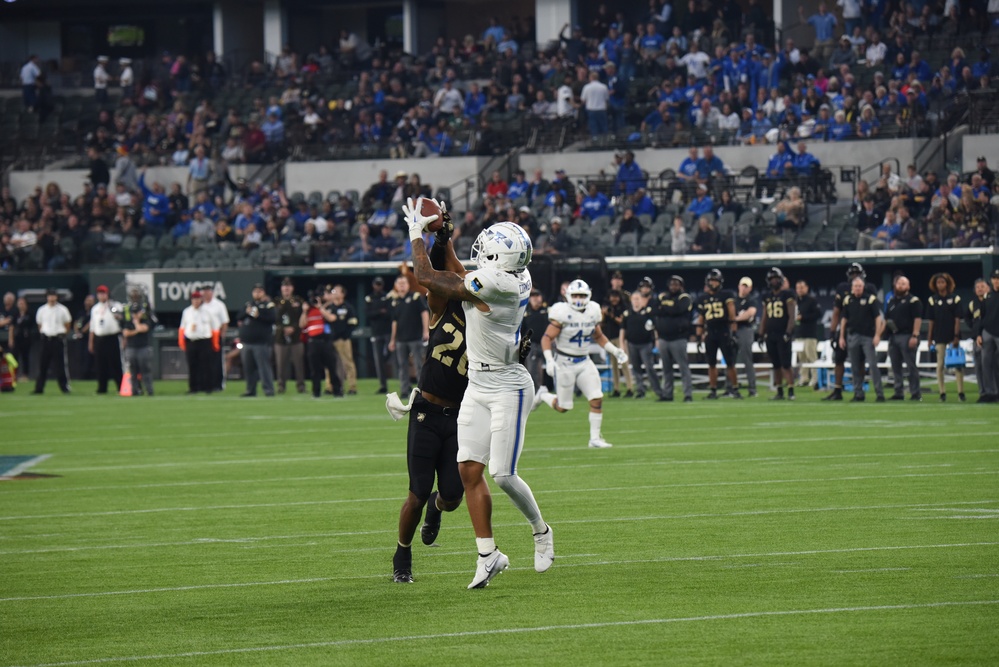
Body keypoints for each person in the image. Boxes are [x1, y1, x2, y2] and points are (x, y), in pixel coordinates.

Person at [402, 198, 553, 589]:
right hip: (478, 384)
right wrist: (447, 238)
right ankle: (488, 555)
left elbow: (429, 277)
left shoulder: (498, 283)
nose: (481, 251)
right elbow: (459, 273)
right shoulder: (513, 274)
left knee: (502, 474)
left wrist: (417, 233)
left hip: (507, 385)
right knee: (469, 469)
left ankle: (541, 530)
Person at [389, 214, 468, 584]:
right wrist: (437, 239)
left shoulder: (493, 319)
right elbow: (432, 274)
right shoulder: (443, 304)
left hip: (460, 416)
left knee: (451, 497)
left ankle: (439, 509)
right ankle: (401, 554)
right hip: (426, 411)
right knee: (417, 493)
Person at [534, 279, 629, 447]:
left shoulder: (593, 311)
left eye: (582, 295)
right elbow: (547, 338)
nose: (579, 298)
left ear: (589, 296)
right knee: (563, 407)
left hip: (584, 361)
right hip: (564, 362)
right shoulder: (561, 312)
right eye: (576, 295)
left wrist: (615, 351)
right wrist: (549, 360)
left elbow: (598, 336)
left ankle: (594, 439)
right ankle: (543, 395)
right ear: (568, 296)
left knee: (596, 397)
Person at [825, 262, 878, 400]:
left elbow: (876, 314)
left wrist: (876, 333)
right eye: (852, 274)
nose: (855, 277)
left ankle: (859, 390)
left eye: (857, 274)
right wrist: (833, 332)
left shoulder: (869, 289)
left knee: (860, 361)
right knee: (839, 359)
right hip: (846, 330)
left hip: (863, 330)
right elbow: (837, 312)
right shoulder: (842, 289)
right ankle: (837, 389)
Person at [839, 277, 886, 402]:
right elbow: (844, 319)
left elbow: (878, 318)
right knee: (855, 366)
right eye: (855, 286)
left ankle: (879, 393)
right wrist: (841, 336)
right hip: (853, 336)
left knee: (872, 365)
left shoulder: (870, 299)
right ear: (852, 288)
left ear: (863, 287)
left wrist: (877, 335)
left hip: (867, 337)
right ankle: (858, 393)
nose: (857, 288)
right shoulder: (848, 300)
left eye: (860, 286)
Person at [696, 269, 741, 399]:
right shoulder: (703, 298)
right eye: (711, 281)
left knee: (730, 362)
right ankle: (713, 390)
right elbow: (701, 318)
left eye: (715, 281)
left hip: (724, 331)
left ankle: (735, 388)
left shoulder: (726, 295)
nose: (713, 283)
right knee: (711, 363)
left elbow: (732, 314)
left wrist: (733, 332)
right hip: (710, 332)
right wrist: (699, 336)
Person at [758, 268, 798, 400]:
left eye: (776, 278)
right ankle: (779, 391)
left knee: (786, 364)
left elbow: (792, 315)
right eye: (772, 279)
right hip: (771, 334)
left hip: (782, 333)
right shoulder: (767, 296)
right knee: (775, 364)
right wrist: (761, 333)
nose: (774, 281)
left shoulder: (788, 294)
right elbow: (764, 316)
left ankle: (791, 390)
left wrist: (788, 331)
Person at [925, 273, 964, 402]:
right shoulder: (932, 300)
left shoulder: (955, 298)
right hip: (939, 335)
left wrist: (956, 336)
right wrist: (929, 338)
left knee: (957, 364)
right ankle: (942, 392)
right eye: (938, 283)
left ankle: (961, 392)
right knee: (940, 364)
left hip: (952, 335)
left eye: (942, 282)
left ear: (947, 283)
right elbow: (931, 320)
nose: (940, 284)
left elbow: (957, 318)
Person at [299, 286, 343, 399]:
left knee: (332, 367)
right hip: (313, 342)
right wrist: (304, 311)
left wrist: (320, 308)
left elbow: (332, 318)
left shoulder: (326, 308)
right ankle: (316, 392)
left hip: (325, 341)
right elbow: (302, 325)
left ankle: (337, 391)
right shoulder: (308, 311)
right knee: (315, 370)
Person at [389, 274, 429, 397]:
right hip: (401, 339)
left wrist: (426, 331)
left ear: (408, 285)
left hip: (415, 337)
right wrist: (393, 339)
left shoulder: (415, 297)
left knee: (418, 365)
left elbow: (424, 313)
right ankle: (404, 390)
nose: (401, 285)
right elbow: (394, 322)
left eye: (404, 283)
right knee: (402, 366)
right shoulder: (395, 301)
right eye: (399, 283)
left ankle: (422, 390)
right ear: (396, 286)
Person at [655, 275, 694, 402]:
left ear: (681, 286)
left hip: (679, 338)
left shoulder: (685, 297)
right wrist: (669, 308)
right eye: (671, 284)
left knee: (683, 367)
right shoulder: (663, 296)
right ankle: (667, 394)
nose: (673, 286)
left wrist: (666, 307)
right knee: (666, 369)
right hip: (664, 338)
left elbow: (678, 309)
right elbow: (656, 310)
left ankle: (687, 394)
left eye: (676, 284)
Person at [885, 275, 923, 401]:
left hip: (907, 335)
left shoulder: (913, 301)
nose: (900, 285)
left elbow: (917, 319)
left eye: (903, 283)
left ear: (908, 286)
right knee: (895, 366)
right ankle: (898, 392)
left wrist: (915, 335)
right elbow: (887, 318)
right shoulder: (891, 301)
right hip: (894, 336)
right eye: (899, 283)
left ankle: (915, 393)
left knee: (910, 366)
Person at [239, 283, 276, 397]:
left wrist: (258, 316)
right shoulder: (248, 304)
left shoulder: (268, 305)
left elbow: (273, 318)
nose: (257, 293)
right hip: (247, 342)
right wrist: (246, 312)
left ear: (264, 293)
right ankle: (250, 390)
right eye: (255, 291)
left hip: (261, 343)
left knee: (263, 367)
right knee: (249, 368)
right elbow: (238, 316)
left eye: (260, 291)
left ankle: (268, 390)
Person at [33, 289, 72, 395]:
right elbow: (40, 324)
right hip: (46, 339)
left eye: (53, 295)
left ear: (57, 297)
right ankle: (39, 388)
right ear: (47, 297)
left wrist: (63, 335)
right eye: (50, 296)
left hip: (57, 339)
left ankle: (64, 387)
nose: (51, 298)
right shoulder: (42, 310)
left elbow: (68, 324)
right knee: (43, 365)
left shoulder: (63, 309)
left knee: (60, 365)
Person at [88, 285, 123, 395]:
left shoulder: (115, 305)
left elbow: (122, 319)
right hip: (99, 338)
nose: (101, 295)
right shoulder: (95, 309)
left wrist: (114, 311)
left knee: (115, 364)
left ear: (107, 294)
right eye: (99, 293)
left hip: (112, 337)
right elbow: (92, 327)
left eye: (103, 293)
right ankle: (102, 387)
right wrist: (91, 342)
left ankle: (120, 386)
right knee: (100, 364)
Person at [178, 291, 215, 394]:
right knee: (192, 365)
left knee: (205, 365)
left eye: (198, 299)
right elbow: (182, 327)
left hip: (204, 340)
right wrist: (182, 341)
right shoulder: (187, 311)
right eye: (194, 299)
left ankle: (207, 387)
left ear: (201, 300)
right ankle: (193, 387)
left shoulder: (207, 312)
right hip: (191, 340)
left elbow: (213, 326)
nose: (196, 301)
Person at [274, 277, 306, 394]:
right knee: (281, 365)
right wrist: (283, 328)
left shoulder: (298, 301)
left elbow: (302, 318)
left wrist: (293, 327)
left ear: (292, 288)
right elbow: (274, 319)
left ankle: (301, 386)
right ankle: (281, 386)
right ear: (281, 288)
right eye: (284, 286)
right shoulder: (276, 302)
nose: (286, 288)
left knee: (299, 364)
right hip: (280, 338)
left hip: (296, 337)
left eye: (288, 286)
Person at [327, 284, 359, 395]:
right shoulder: (329, 308)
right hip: (330, 340)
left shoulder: (348, 307)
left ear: (343, 294)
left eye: (336, 291)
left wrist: (346, 335)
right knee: (330, 365)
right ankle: (330, 387)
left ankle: (352, 387)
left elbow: (353, 322)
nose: (334, 293)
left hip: (343, 340)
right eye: (333, 291)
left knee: (348, 363)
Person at [122, 290, 154, 397]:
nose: (135, 315)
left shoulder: (145, 320)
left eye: (137, 312)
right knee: (133, 371)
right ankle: (135, 391)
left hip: (143, 348)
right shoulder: (128, 321)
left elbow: (143, 328)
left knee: (145, 371)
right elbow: (126, 333)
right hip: (131, 347)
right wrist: (136, 330)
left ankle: (149, 390)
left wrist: (136, 324)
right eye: (134, 313)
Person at [601, 289, 632, 397]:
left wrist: (612, 316)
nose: (614, 299)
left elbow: (621, 321)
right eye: (612, 297)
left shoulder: (622, 308)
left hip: (620, 338)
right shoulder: (608, 308)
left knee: (624, 363)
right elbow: (601, 323)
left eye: (616, 297)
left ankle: (629, 387)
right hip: (609, 338)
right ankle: (616, 388)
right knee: (613, 365)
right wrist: (604, 314)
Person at [974, 269, 999, 403]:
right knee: (986, 363)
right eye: (994, 278)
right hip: (987, 332)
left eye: (998, 278)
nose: (996, 281)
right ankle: (990, 392)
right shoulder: (988, 296)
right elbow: (981, 317)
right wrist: (979, 334)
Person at [365, 277, 393, 394]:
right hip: (376, 333)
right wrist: (380, 311)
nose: (378, 286)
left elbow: (390, 313)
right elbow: (367, 314)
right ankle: (383, 385)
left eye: (380, 284)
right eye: (376, 284)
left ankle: (403, 385)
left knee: (389, 357)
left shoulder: (387, 296)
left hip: (388, 332)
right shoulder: (369, 298)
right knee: (378, 361)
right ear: (373, 285)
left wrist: (377, 312)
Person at [733, 277, 759, 397]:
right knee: (730, 360)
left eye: (746, 286)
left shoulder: (751, 300)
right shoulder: (733, 300)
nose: (743, 288)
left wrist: (734, 319)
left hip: (745, 329)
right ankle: (731, 387)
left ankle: (752, 388)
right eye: (742, 285)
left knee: (747, 359)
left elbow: (750, 313)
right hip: (733, 330)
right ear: (738, 286)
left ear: (750, 288)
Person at [200, 285, 229, 391]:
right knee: (204, 361)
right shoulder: (200, 305)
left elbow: (225, 321)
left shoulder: (219, 305)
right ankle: (206, 383)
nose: (206, 293)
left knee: (217, 361)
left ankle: (218, 384)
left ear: (212, 292)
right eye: (204, 291)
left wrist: (222, 334)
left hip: (215, 335)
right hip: (203, 336)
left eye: (208, 291)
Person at [795, 280, 822, 390]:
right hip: (799, 333)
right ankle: (803, 378)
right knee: (801, 357)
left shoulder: (812, 300)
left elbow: (818, 314)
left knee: (812, 357)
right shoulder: (796, 301)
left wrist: (803, 317)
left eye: (802, 287)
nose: (800, 290)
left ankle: (815, 379)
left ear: (806, 288)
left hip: (810, 334)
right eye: (798, 288)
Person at [521, 288, 549, 389]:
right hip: (532, 345)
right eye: (532, 296)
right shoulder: (525, 312)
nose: (535, 298)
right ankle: (535, 391)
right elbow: (522, 330)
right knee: (532, 370)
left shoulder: (547, 311)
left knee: (555, 366)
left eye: (537, 295)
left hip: (547, 344)